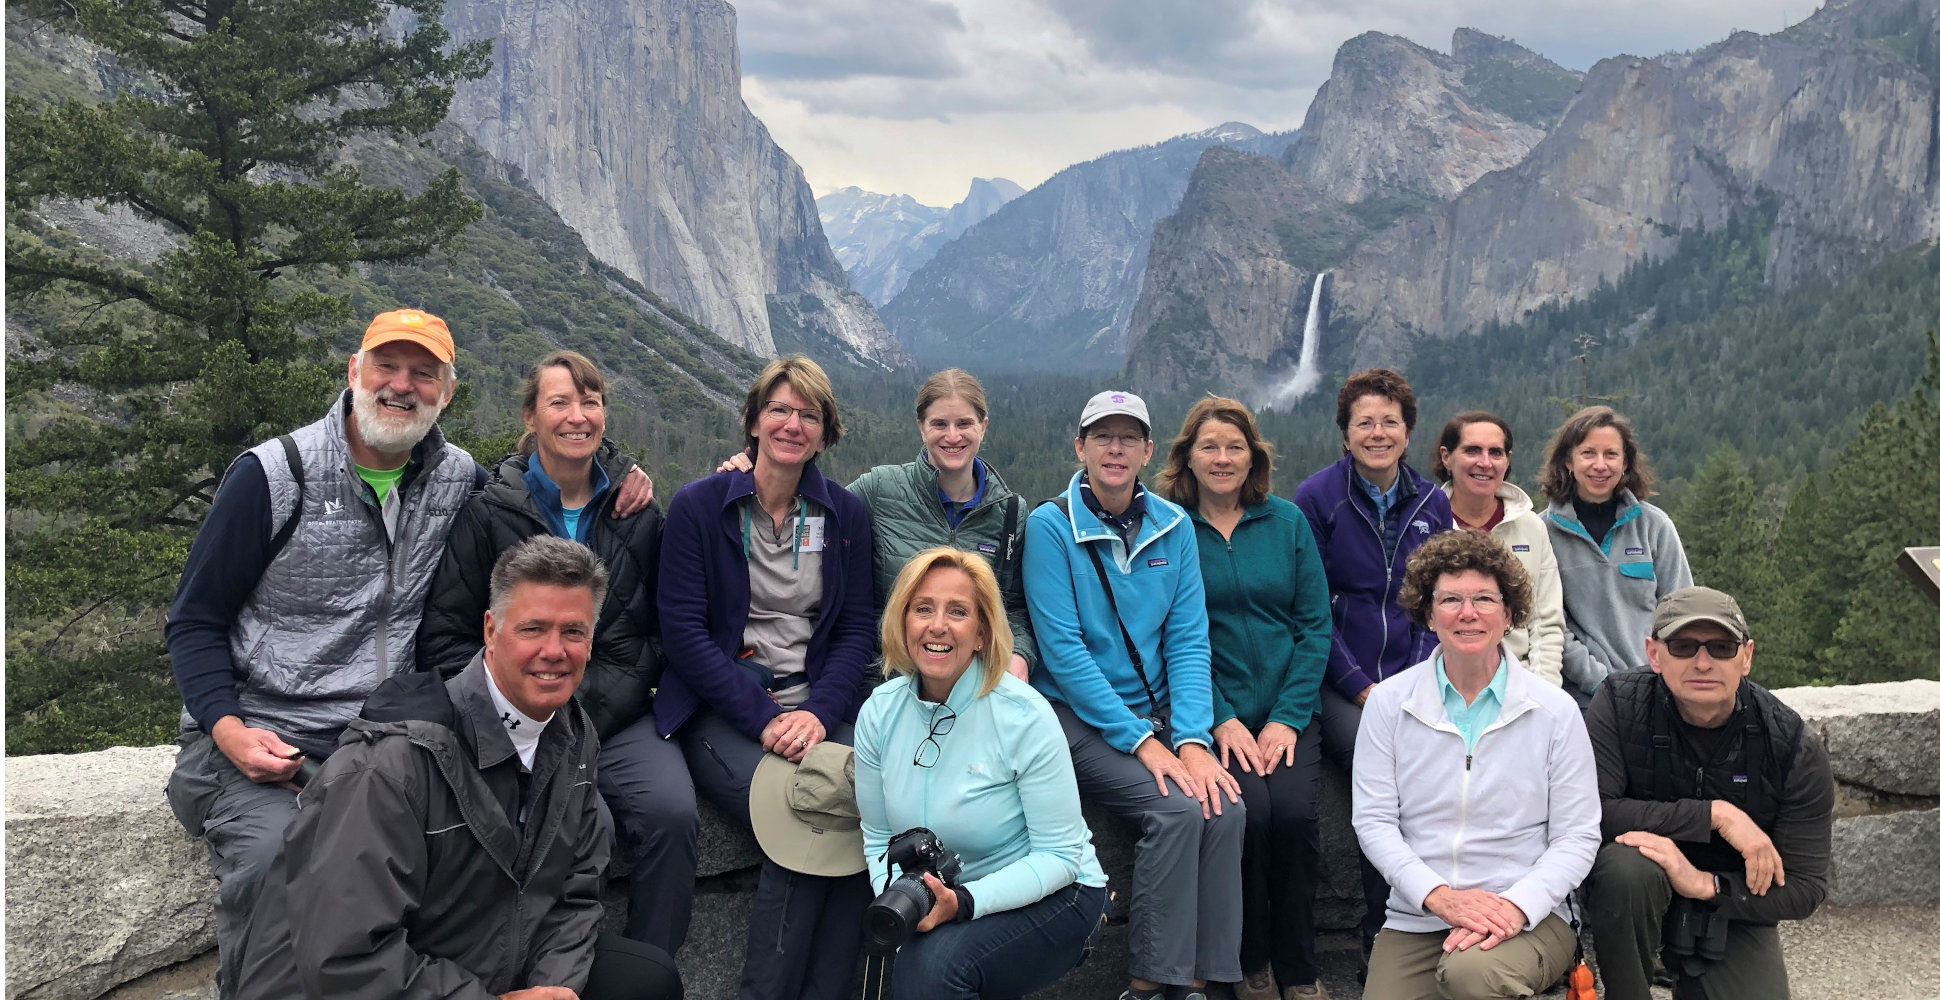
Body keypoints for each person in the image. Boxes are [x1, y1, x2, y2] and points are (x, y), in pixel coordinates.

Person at [162, 309, 651, 996]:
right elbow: (192, 621)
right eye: (387, 367)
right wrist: (227, 728)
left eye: (424, 373)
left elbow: (537, 498)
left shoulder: (459, 479)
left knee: (572, 825)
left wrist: (619, 471)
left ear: (447, 393)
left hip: (404, 740)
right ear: (354, 372)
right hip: (272, 741)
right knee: (275, 860)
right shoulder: (274, 477)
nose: (402, 386)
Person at [232, 536, 681, 1000]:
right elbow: (345, 957)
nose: (554, 651)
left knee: (648, 979)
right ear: (490, 629)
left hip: (489, 950)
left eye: (573, 632)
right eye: (532, 629)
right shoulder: (392, 765)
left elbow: (577, 891)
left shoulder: (572, 733)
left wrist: (554, 988)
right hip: (359, 985)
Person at [415, 350, 688, 954]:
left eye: (590, 401)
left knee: (671, 815)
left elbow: (654, 637)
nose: (577, 416)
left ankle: (650, 970)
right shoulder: (489, 511)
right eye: (559, 402)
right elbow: (447, 637)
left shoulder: (637, 513)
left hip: (614, 720)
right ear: (531, 417)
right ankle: (544, 975)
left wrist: (584, 711)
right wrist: (520, 709)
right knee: (577, 830)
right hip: (514, 724)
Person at [655, 355, 876, 1000]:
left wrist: (815, 712)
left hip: (820, 705)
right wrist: (766, 717)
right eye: (779, 409)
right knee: (797, 817)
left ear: (825, 433)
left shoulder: (844, 517)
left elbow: (857, 627)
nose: (792, 423)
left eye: (808, 414)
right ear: (752, 422)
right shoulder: (701, 507)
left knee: (869, 810)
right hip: (725, 710)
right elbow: (686, 635)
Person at [1024, 389, 1245, 1000]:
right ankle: (1149, 984)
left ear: (1148, 450)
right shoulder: (1051, 527)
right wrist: (1143, 741)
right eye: (1102, 436)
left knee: (1226, 809)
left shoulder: (1174, 528)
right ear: (1080, 447)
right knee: (1174, 808)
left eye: (1128, 437)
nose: (1114, 448)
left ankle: (1202, 982)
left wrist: (1195, 739)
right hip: (1074, 716)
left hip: (1157, 712)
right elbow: (1064, 654)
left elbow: (1189, 644)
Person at [853, 547, 1112, 999]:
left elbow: (1061, 856)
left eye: (958, 611)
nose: (937, 626)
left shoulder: (1024, 714)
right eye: (923, 609)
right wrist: (907, 907)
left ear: (981, 634)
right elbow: (878, 838)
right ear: (903, 623)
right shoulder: (879, 712)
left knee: (932, 969)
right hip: (948, 898)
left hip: (1061, 895)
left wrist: (963, 905)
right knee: (915, 957)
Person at [1353, 531, 1600, 1000]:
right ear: (1429, 614)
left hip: (1532, 915)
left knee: (1472, 976)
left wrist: (1515, 906)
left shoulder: (1554, 711)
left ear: (1509, 614)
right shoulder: (1388, 704)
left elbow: (1578, 835)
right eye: (1451, 599)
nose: (1468, 613)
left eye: (1485, 599)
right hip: (1419, 917)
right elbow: (1374, 821)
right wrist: (1439, 897)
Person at [1157, 397, 1333, 1000]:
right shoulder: (1171, 528)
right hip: (1216, 715)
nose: (1222, 458)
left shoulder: (1286, 522)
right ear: (1188, 457)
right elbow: (1174, 637)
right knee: (1246, 818)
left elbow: (1314, 626)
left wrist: (1287, 717)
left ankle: (1301, 971)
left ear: (1253, 456)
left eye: (1235, 446)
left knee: (1293, 815)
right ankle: (1249, 963)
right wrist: (1222, 717)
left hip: (1289, 710)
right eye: (1209, 446)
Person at [1584, 587, 1832, 1000]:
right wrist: (1714, 814)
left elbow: (1805, 886)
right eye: (1683, 646)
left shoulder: (1789, 743)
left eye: (1721, 647)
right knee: (1626, 868)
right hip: (1636, 896)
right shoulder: (1618, 705)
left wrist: (1704, 884)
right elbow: (1595, 814)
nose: (1703, 663)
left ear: (1746, 656)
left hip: (1728, 903)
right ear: (1654, 653)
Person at [723, 368, 1038, 680]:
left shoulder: (1010, 512)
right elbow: (812, 505)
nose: (952, 436)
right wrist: (754, 469)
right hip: (883, 679)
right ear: (921, 427)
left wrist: (1019, 653)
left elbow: (1013, 608)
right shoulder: (879, 489)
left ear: (983, 426)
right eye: (939, 423)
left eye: (964, 424)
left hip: (970, 683)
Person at [1292, 367, 1453, 963]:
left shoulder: (1434, 504)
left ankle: (1447, 918)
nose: (1377, 432)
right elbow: (1311, 611)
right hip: (1341, 682)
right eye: (1365, 422)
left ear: (1408, 432)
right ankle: (1385, 934)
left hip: (1417, 673)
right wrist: (1361, 686)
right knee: (1384, 764)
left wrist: (1413, 679)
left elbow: (1440, 603)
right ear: (1346, 432)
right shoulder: (1315, 500)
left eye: (1390, 421)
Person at [1536, 406, 1692, 704]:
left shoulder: (1655, 527)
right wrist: (1601, 683)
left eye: (1611, 454)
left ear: (1625, 463)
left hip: (1655, 692)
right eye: (1588, 453)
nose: (1600, 465)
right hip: (1580, 697)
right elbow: (1551, 625)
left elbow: (1680, 612)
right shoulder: (1543, 532)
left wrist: (1660, 677)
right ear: (1568, 461)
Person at [1432, 411, 1564, 686]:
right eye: (1472, 451)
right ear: (1447, 457)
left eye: (1496, 452)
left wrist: (1542, 691)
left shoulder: (1530, 527)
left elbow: (1546, 623)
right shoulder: (1426, 525)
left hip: (1523, 680)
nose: (1485, 462)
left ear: (1508, 460)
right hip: (1443, 681)